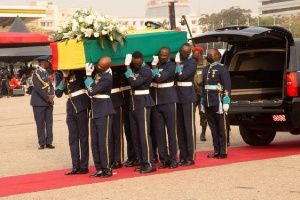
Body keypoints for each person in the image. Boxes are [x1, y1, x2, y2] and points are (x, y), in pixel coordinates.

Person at [124, 51, 156, 173]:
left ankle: (150, 163)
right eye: (134, 63)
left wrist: (127, 67)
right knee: (136, 135)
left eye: (138, 63)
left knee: (144, 135)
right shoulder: (136, 69)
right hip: (133, 103)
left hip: (143, 103)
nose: (136, 65)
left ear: (142, 60)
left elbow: (135, 82)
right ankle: (143, 162)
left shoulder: (146, 70)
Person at [84, 56, 115, 178]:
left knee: (104, 142)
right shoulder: (99, 74)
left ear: (108, 67)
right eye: (99, 65)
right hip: (95, 111)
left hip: (104, 110)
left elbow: (92, 91)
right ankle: (99, 168)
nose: (99, 67)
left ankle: (107, 168)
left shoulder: (107, 77)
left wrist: (88, 76)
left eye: (102, 66)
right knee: (95, 142)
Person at [55, 70, 90, 175]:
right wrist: (64, 77)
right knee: (73, 138)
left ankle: (84, 166)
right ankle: (75, 165)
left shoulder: (79, 71)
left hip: (81, 105)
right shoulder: (59, 75)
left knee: (83, 137)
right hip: (70, 107)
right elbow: (58, 93)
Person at [150, 46, 178, 169]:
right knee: (159, 133)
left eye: (165, 55)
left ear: (169, 55)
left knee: (171, 132)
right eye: (161, 54)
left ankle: (173, 159)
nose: (162, 57)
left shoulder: (171, 66)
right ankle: (164, 159)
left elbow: (159, 79)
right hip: (156, 103)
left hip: (168, 101)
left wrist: (154, 68)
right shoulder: (156, 65)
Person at [201, 48, 231, 159]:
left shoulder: (222, 68)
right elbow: (204, 87)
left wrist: (226, 100)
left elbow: (227, 85)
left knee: (221, 127)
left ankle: (223, 151)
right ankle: (216, 150)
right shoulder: (205, 69)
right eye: (208, 54)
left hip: (218, 101)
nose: (208, 56)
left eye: (211, 54)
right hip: (208, 101)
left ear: (218, 56)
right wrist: (203, 102)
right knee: (213, 128)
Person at [175, 43, 197, 166]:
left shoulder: (192, 62)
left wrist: (177, 65)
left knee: (189, 128)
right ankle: (183, 156)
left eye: (185, 51)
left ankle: (191, 156)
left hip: (188, 97)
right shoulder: (179, 61)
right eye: (181, 50)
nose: (183, 52)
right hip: (178, 97)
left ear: (190, 52)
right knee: (180, 129)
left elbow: (181, 76)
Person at [30, 55, 55, 150]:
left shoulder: (45, 73)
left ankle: (49, 142)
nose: (49, 63)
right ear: (43, 63)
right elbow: (38, 89)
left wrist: (52, 95)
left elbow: (51, 86)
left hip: (48, 101)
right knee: (40, 123)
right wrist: (48, 98)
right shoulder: (36, 73)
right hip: (39, 103)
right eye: (48, 62)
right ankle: (42, 142)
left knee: (49, 122)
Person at [192, 46, 208, 141]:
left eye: (194, 52)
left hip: (203, 91)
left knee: (203, 113)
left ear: (200, 53)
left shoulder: (206, 64)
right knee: (190, 113)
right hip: (193, 91)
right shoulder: (191, 64)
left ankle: (203, 133)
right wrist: (196, 88)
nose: (193, 54)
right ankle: (191, 132)